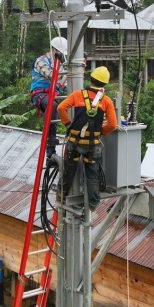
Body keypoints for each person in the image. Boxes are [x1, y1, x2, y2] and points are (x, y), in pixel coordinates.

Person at [57, 66, 118, 209]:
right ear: (105, 84)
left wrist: (67, 124)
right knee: (92, 174)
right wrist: (101, 132)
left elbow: (61, 108)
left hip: (75, 141)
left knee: (69, 170)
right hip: (93, 145)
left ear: (90, 79)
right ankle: (93, 203)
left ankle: (61, 194)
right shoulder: (106, 101)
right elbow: (113, 124)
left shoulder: (77, 95)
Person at [30, 36, 68, 157]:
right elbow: (52, 76)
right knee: (52, 105)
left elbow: (62, 83)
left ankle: (56, 149)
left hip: (52, 95)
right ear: (55, 50)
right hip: (39, 94)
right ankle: (50, 139)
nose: (62, 57)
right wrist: (66, 72)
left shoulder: (60, 65)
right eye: (61, 54)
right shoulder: (41, 61)